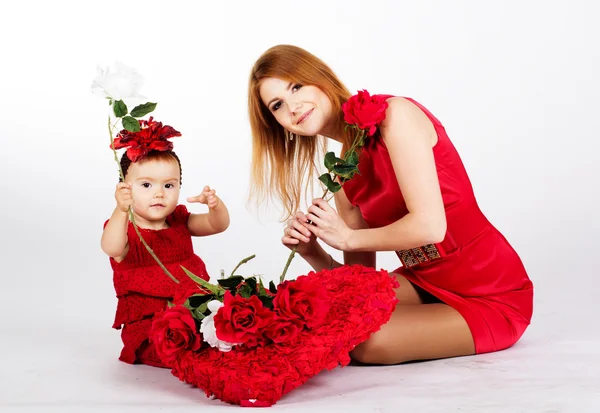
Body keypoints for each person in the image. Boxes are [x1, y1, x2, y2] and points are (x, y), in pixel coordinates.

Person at [248, 44, 533, 365]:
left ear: (320, 78)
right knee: (334, 310)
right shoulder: (340, 173)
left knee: (367, 341)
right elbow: (358, 284)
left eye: (296, 86)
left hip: (488, 289)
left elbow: (430, 226)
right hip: (424, 282)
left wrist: (348, 237)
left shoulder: (394, 116)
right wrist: (313, 251)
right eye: (277, 105)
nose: (293, 107)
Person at [101, 118, 230, 367]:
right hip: (152, 322)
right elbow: (111, 248)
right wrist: (120, 210)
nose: (159, 193)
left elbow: (217, 225)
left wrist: (215, 207)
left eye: (169, 185)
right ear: (125, 187)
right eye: (146, 185)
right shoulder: (126, 229)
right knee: (181, 350)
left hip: (193, 310)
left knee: (221, 335)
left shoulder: (179, 220)